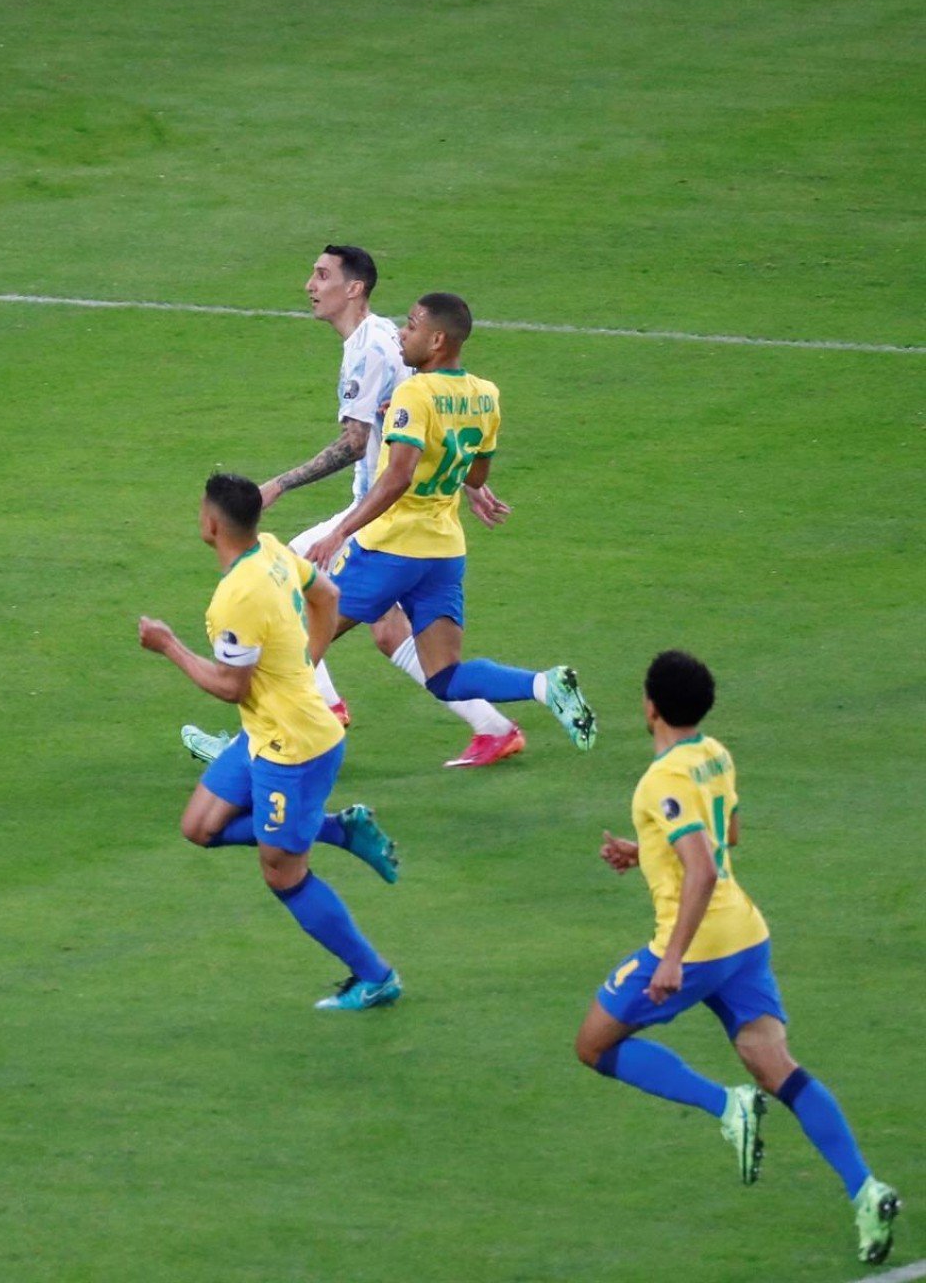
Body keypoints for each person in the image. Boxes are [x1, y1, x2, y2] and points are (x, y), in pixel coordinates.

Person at [573, 651, 900, 1264]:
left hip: (695, 946)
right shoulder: (715, 754)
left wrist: (671, 959)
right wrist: (644, 851)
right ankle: (865, 1189)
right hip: (745, 936)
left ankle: (725, 1105)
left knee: (593, 1044)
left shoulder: (659, 781)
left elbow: (698, 866)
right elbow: (727, 837)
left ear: (650, 706)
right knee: (777, 1065)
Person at [183, 246, 523, 770]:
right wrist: (463, 483)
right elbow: (428, 412)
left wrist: (279, 485)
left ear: (354, 288)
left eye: (322, 276)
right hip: (412, 517)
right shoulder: (389, 334)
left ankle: (285, 728)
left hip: (382, 516)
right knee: (390, 633)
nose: (309, 286)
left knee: (284, 593)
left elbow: (353, 442)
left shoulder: (368, 348)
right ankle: (494, 727)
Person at [139, 473, 403, 1011]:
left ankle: (376, 977)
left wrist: (168, 646)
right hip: (265, 730)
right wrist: (309, 659)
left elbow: (228, 685)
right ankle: (337, 830)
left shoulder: (234, 597)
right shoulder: (271, 549)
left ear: (211, 524)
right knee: (199, 828)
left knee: (283, 871)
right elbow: (327, 594)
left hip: (296, 748)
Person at [300, 292, 596, 750]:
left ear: (437, 339)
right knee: (444, 676)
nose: (403, 331)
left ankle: (250, 751)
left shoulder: (413, 393)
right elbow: (476, 474)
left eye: (413, 325)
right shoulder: (485, 394)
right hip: (442, 553)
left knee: (296, 643)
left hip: (388, 548)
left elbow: (396, 478)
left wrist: (340, 532)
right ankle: (544, 685)